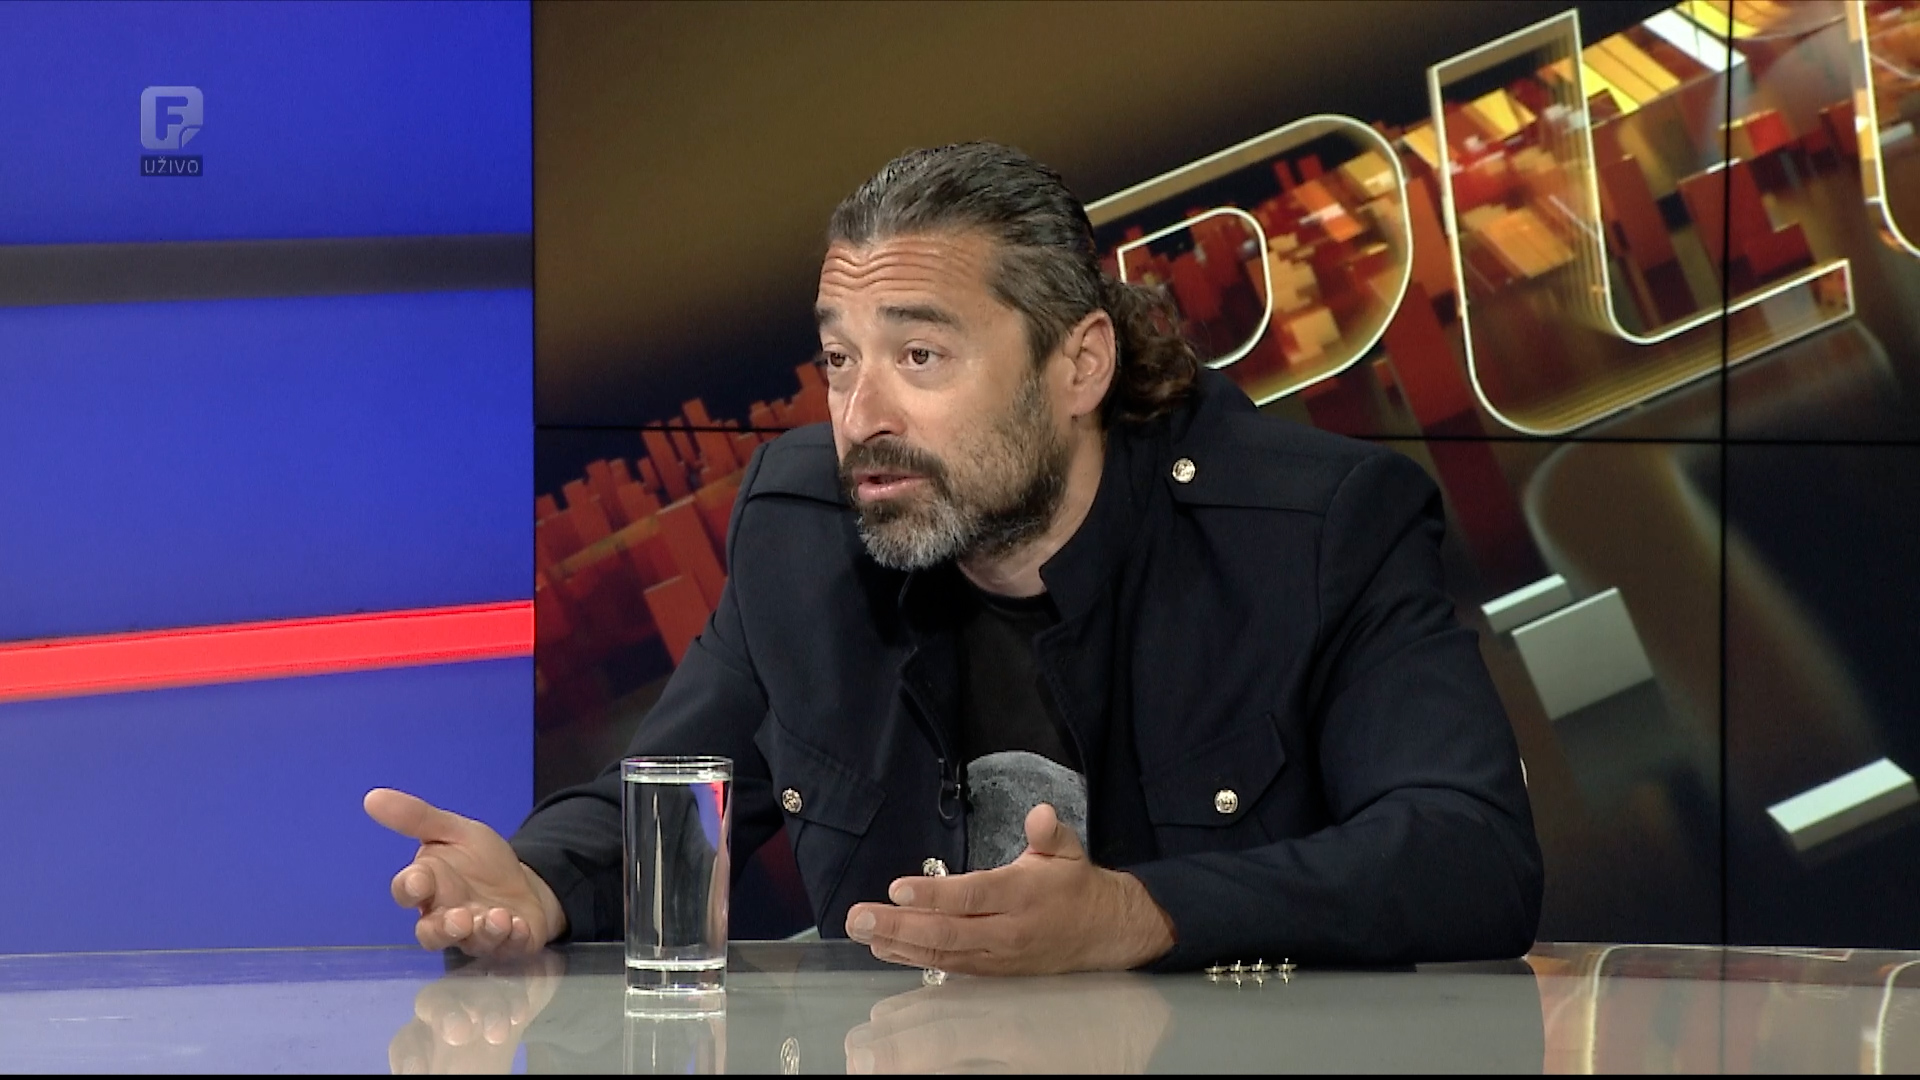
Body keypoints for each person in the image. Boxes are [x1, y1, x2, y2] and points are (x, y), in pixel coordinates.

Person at [366, 141, 1543, 974]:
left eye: (920, 358)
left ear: (1078, 366)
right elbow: (672, 806)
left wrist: (1142, 915)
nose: (861, 417)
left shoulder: (1320, 527)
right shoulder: (801, 532)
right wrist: (538, 882)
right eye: (839, 362)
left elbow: (1471, 855)